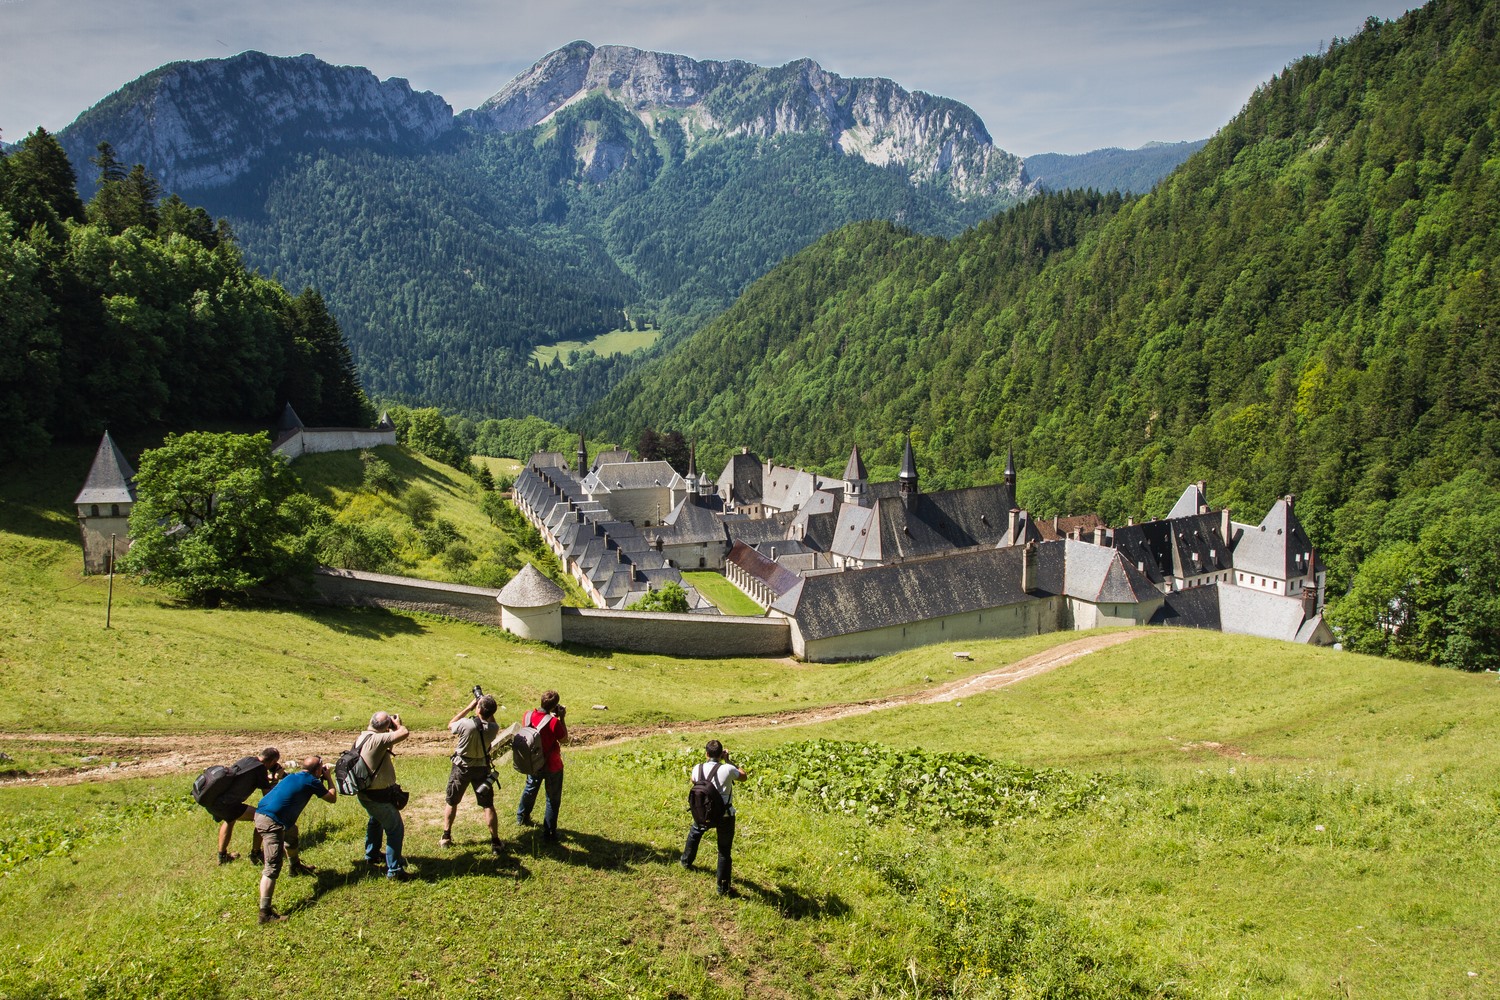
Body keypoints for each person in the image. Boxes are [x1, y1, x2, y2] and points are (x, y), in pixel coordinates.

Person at [252, 755, 337, 923]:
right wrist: (329, 778)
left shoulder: (293, 776)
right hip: (272, 821)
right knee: (272, 866)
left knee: (291, 832)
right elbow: (331, 798)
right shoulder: (312, 782)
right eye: (321, 768)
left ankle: (295, 866)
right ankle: (265, 913)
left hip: (263, 813)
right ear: (318, 770)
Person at [680, 739, 747, 897]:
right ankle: (722, 888)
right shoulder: (727, 769)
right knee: (724, 851)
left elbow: (694, 781)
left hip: (703, 812)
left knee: (694, 833)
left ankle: (685, 861)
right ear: (721, 753)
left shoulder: (698, 768)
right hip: (724, 815)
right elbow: (743, 777)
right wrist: (729, 760)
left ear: (706, 753)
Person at [441, 693, 502, 854]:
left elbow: (450, 724)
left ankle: (446, 835)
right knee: (487, 804)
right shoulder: (493, 729)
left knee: (452, 800)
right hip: (482, 768)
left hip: (461, 767)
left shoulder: (466, 724)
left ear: (478, 708)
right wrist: (487, 707)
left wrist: (469, 706)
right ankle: (495, 840)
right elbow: (492, 722)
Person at [355, 710, 410, 880]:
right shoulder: (377, 739)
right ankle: (394, 870)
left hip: (366, 793)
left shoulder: (363, 737)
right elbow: (404, 733)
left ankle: (372, 854)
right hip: (378, 796)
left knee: (376, 820)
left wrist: (388, 729)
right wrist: (397, 725)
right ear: (385, 727)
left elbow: (386, 748)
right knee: (395, 828)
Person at [207, 747, 283, 865]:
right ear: (272, 762)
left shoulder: (248, 760)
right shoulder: (260, 769)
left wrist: (267, 778)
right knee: (263, 817)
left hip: (214, 800)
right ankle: (256, 854)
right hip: (228, 804)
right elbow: (268, 797)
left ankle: (222, 857)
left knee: (230, 820)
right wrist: (275, 779)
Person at [515, 690, 568, 841]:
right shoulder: (553, 722)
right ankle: (549, 832)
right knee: (552, 798)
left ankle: (522, 816)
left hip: (533, 762)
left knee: (530, 788)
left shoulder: (527, 715)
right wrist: (562, 718)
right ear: (554, 706)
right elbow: (564, 739)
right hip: (552, 765)